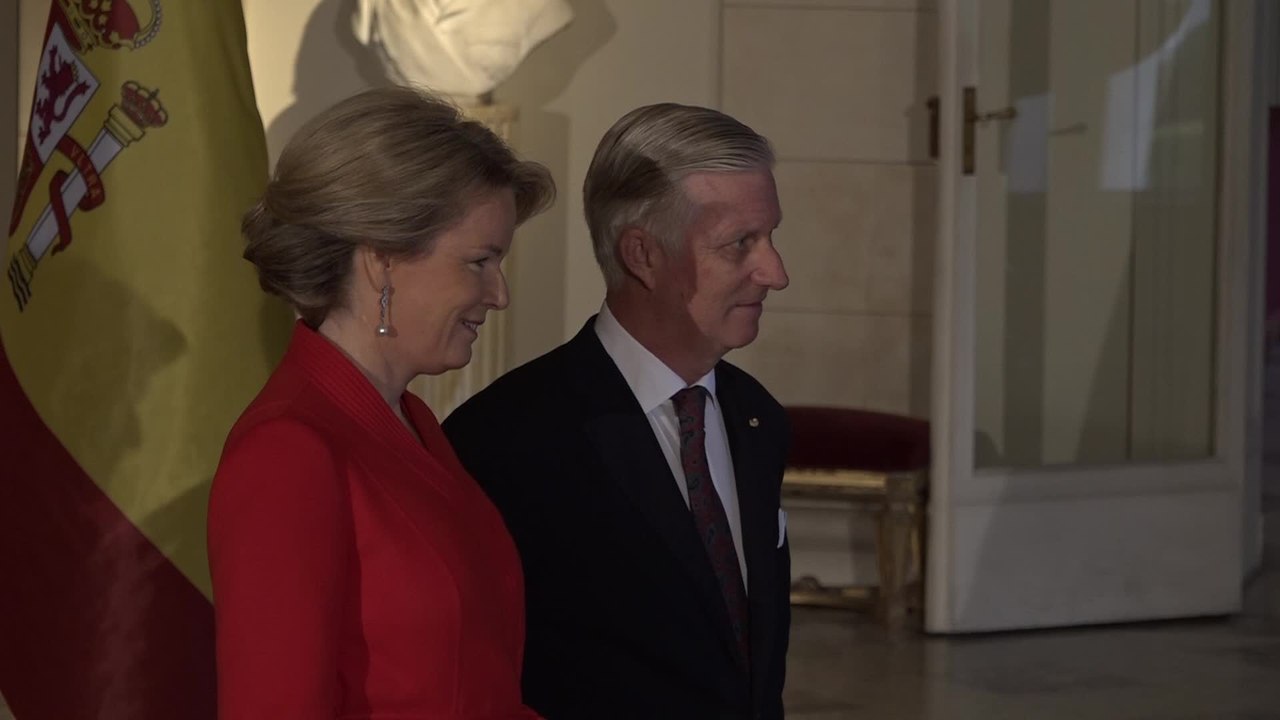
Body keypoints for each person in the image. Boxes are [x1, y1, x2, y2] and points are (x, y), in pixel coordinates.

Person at [207, 86, 554, 719]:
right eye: (479, 261)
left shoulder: (414, 422)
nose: (498, 294)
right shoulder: (287, 452)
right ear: (382, 261)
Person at [443, 103, 793, 719]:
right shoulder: (509, 439)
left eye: (770, 238)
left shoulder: (755, 416)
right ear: (643, 255)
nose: (776, 272)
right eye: (740, 244)